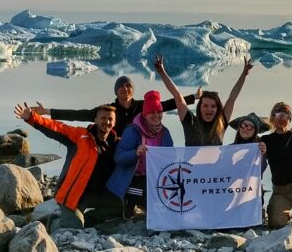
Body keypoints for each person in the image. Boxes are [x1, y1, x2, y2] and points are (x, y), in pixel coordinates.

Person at [14, 102, 119, 230]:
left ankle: (87, 219)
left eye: (110, 119)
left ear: (114, 122)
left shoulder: (116, 144)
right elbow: (56, 127)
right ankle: (55, 222)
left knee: (121, 206)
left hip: (94, 196)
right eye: (103, 118)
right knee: (75, 228)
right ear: (96, 119)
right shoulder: (80, 136)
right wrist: (31, 117)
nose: (106, 122)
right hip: (72, 197)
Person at [32, 75, 196, 136]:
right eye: (121, 86)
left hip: (140, 146)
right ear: (116, 91)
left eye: (128, 86)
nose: (125, 89)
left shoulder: (142, 106)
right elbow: (79, 114)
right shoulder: (108, 110)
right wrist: (46, 111)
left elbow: (167, 104)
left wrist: (193, 97)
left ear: (132, 90)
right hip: (115, 148)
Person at [105, 89, 174, 219]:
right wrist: (135, 153)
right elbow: (118, 158)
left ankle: (142, 203)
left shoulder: (165, 132)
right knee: (147, 196)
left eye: (159, 112)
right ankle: (129, 200)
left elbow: (172, 155)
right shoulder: (132, 131)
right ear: (145, 114)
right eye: (152, 112)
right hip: (133, 178)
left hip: (154, 177)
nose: (156, 115)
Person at [170, 56, 254, 146]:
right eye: (205, 105)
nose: (209, 109)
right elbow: (178, 96)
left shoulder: (221, 123)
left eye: (213, 106)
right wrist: (161, 71)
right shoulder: (190, 122)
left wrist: (244, 74)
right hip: (191, 161)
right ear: (200, 107)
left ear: (217, 109)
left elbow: (232, 98)